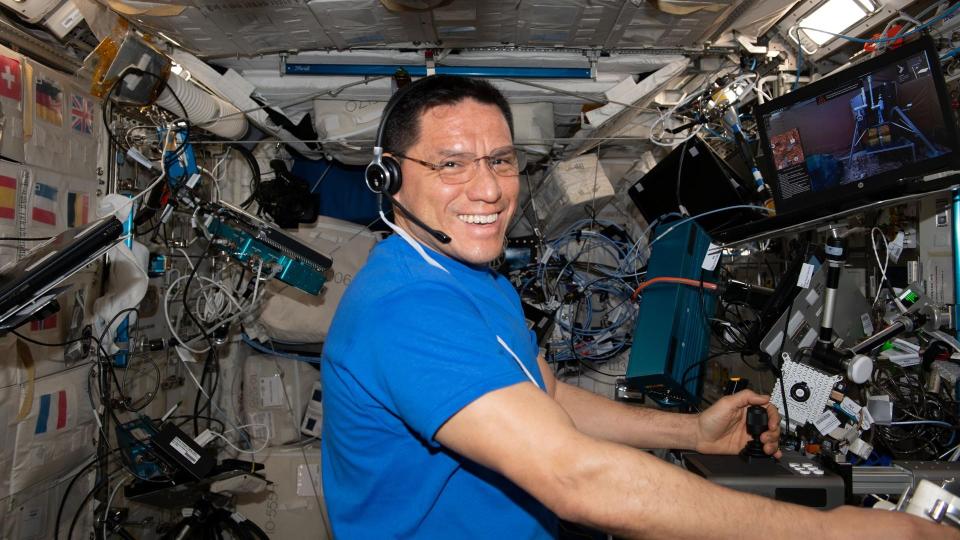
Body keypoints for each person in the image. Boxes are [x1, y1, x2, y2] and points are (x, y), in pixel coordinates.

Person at [320, 75, 954, 539]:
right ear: (388, 178)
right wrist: (838, 533)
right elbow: (578, 480)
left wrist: (693, 430)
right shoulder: (406, 309)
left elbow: (547, 396)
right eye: (451, 164)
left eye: (502, 161)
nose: (488, 189)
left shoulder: (472, 276)